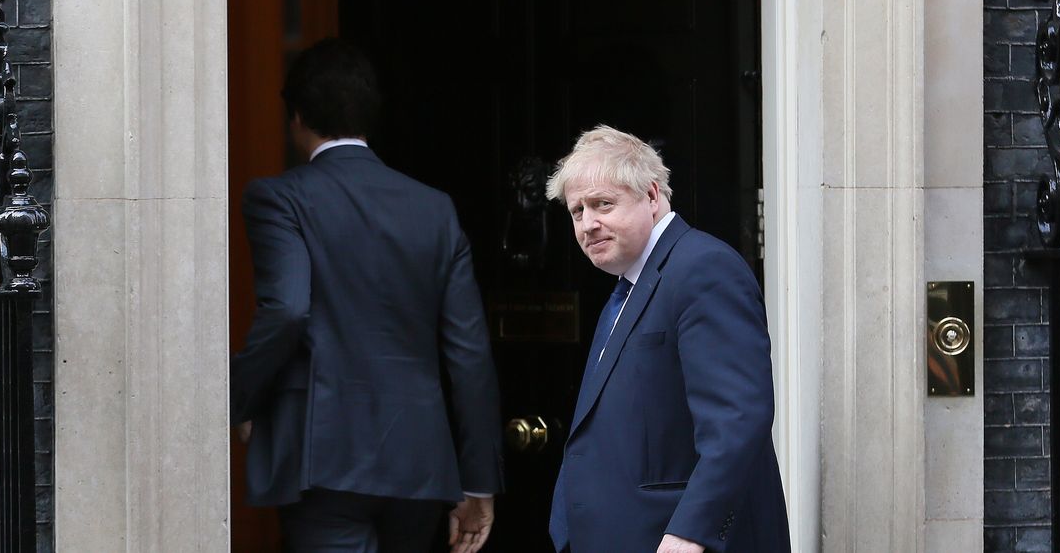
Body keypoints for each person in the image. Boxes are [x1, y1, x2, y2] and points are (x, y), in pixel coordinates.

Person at [230, 39, 503, 553]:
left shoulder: (279, 197)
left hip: (324, 456)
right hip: (420, 459)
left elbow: (287, 311)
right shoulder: (435, 209)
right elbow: (469, 354)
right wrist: (477, 481)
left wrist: (241, 397)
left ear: (297, 116)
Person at [546, 126, 789, 553]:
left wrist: (693, 531)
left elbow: (737, 418)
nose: (588, 223)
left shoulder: (702, 268)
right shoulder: (630, 284)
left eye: (603, 204)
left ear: (653, 197)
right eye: (577, 211)